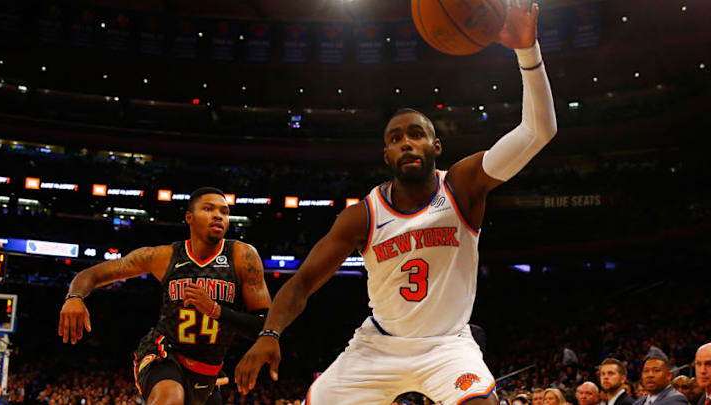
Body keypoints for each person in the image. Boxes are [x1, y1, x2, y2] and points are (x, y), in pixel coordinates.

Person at [234, 1, 557, 404]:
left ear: (436, 146)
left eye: (416, 133)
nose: (406, 141)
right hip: (380, 346)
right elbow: (302, 282)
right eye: (395, 137)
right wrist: (270, 333)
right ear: (386, 156)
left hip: (447, 346)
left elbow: (538, 131)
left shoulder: (462, 185)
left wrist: (528, 51)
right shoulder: (362, 216)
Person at [58, 187, 272, 405]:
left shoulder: (242, 256)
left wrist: (215, 310)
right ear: (189, 217)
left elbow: (264, 326)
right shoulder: (164, 256)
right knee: (170, 398)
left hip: (208, 370)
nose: (218, 215)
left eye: (224, 212)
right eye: (208, 209)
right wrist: (75, 297)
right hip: (163, 352)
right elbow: (92, 274)